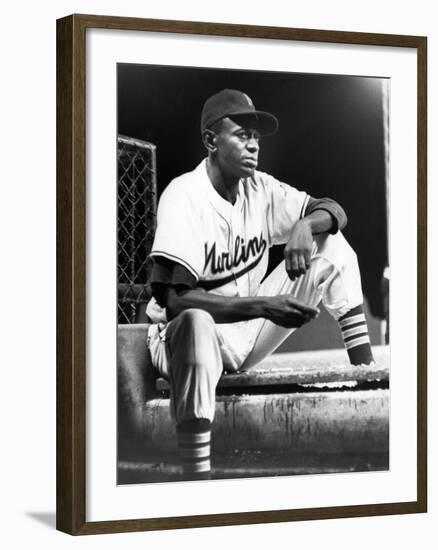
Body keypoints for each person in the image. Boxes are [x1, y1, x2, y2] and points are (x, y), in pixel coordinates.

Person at [145, 89, 375, 480]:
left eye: (256, 137)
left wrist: (304, 225)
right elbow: (175, 302)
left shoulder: (261, 189)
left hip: (244, 335)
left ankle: (369, 379)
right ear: (210, 141)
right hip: (181, 341)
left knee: (331, 243)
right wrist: (265, 306)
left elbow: (334, 210)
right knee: (197, 322)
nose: (253, 145)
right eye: (241, 135)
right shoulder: (184, 196)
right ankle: (196, 474)